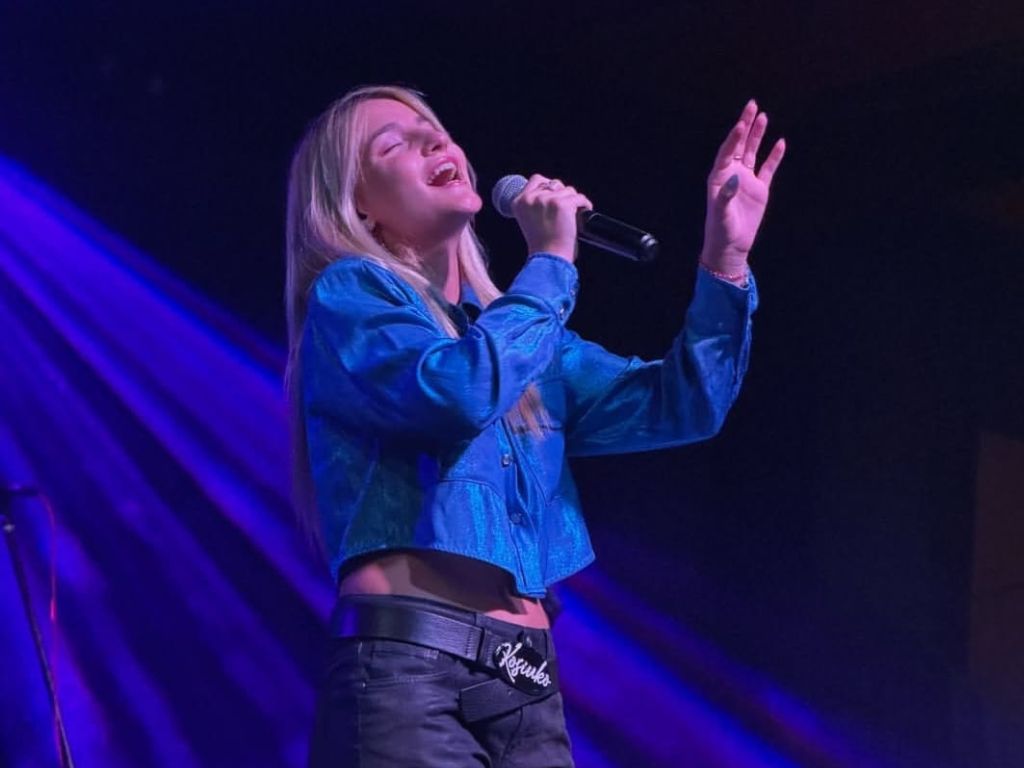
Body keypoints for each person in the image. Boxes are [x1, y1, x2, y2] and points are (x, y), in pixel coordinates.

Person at [285, 84, 784, 767]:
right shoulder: (350, 297)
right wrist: (550, 261)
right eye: (396, 144)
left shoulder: (525, 339)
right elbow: (456, 390)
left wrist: (724, 260)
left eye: (435, 130)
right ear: (360, 207)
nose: (437, 142)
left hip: (528, 685)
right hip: (410, 672)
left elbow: (684, 403)